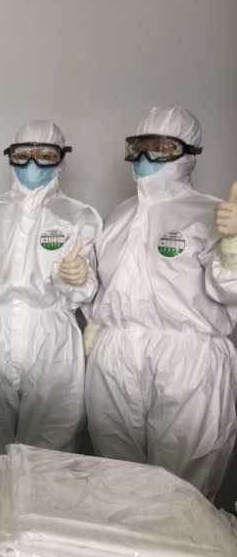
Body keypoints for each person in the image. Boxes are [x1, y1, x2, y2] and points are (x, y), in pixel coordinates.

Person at [84, 105, 237, 498]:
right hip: (116, 356)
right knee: (115, 480)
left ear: (188, 153)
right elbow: (107, 284)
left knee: (182, 491)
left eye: (162, 147)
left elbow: (229, 291)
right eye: (139, 146)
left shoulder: (212, 214)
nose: (146, 157)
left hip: (186, 362)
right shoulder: (119, 216)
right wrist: (97, 323)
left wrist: (233, 249)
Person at [0, 120, 101, 452]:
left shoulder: (80, 216)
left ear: (61, 159)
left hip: (51, 334)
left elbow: (91, 286)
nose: (33, 163)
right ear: (11, 156)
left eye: (45, 155)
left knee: (49, 446)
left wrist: (81, 278)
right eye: (23, 154)